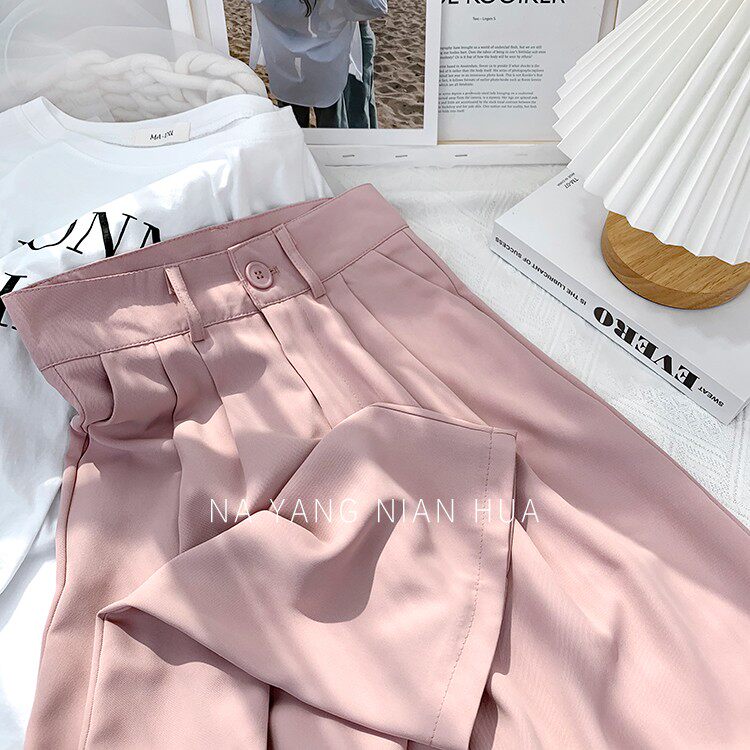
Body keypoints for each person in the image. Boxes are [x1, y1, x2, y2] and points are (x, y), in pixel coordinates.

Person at [248, 0, 387, 128]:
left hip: (338, 38)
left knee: (352, 114)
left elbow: (376, 6)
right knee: (301, 121)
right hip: (299, 40)